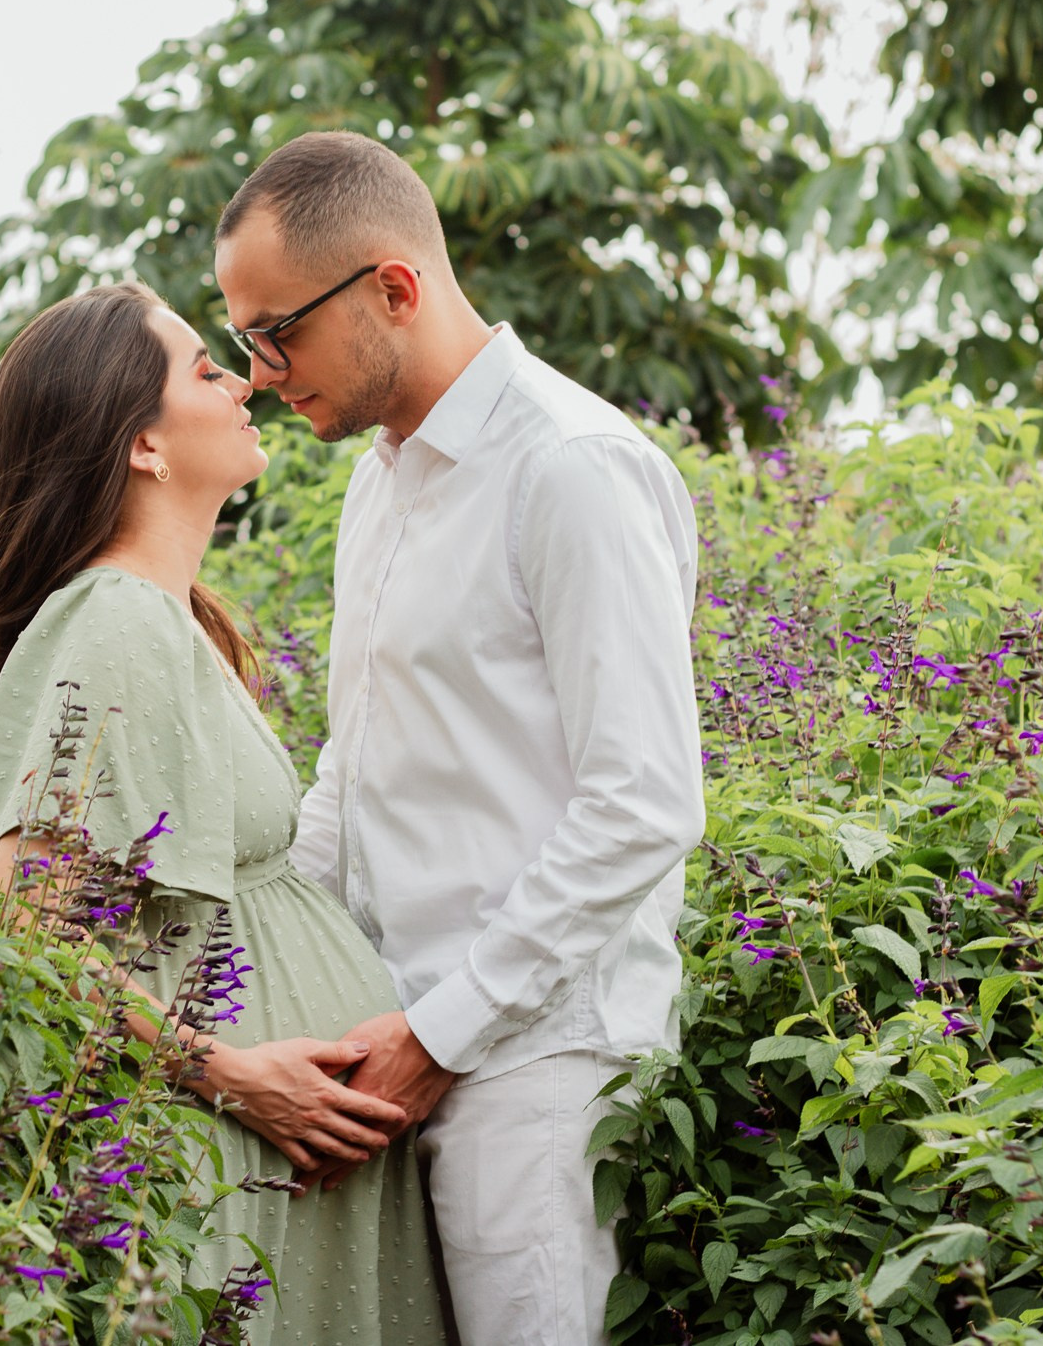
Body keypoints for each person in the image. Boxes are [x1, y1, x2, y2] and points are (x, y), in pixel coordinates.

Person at [214, 131, 707, 1346]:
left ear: (393, 287)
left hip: (535, 1059)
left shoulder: (573, 469)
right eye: (242, 341)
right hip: (379, 1043)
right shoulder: (377, 480)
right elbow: (356, 761)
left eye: (278, 331)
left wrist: (446, 1031)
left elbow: (643, 799)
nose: (266, 371)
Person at [0, 282, 447, 1345]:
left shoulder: (164, 622)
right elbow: (23, 931)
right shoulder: (113, 621)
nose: (244, 376)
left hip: (281, 1165)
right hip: (225, 1156)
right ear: (143, 448)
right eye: (202, 368)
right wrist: (232, 1078)